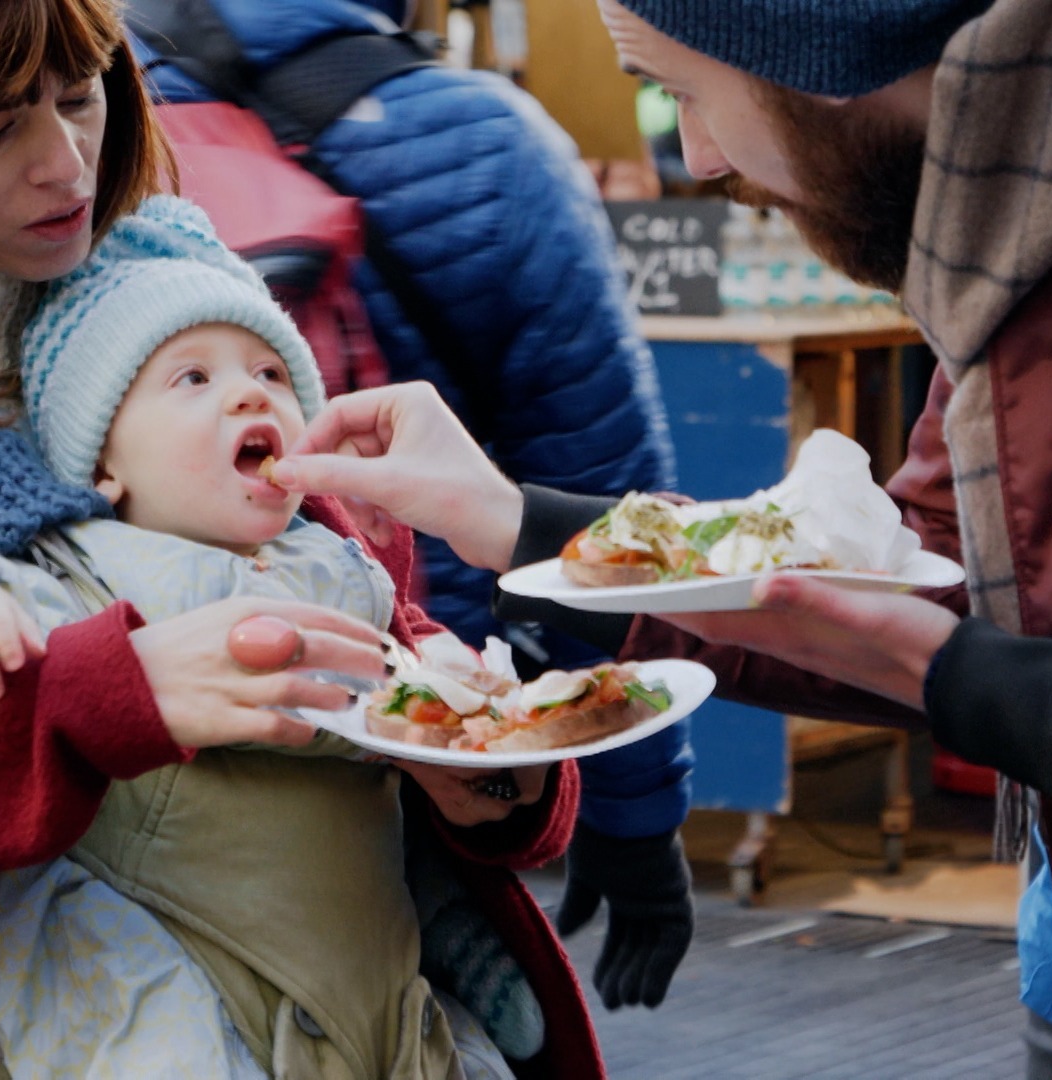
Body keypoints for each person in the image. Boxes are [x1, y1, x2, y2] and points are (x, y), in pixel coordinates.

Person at [267, 0, 1052, 1076]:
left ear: (805, 38)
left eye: (680, 92)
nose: (699, 156)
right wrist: (519, 523)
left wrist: (966, 681)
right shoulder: (1038, 180)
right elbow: (910, 561)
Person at [0, 3, 596, 1077]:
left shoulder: (180, 297)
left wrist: (494, 772)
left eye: (81, 94)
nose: (65, 162)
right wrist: (91, 701)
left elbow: (370, 623)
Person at [130, 0, 695, 1013]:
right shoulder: (488, 141)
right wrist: (637, 810)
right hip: (430, 748)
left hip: (149, 754)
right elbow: (611, 511)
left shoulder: (82, 118)